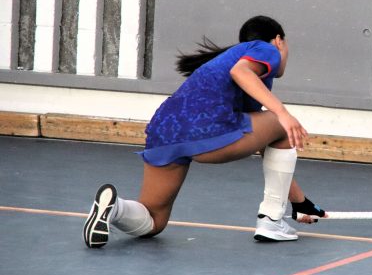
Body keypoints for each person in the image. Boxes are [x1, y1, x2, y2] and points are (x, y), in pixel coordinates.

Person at [83, 15, 325, 247]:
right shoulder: (265, 48)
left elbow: (266, 141)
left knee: (154, 221)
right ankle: (271, 221)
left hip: (164, 129)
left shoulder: (240, 69)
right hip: (204, 127)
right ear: (279, 40)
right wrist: (283, 113)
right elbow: (241, 73)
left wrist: (300, 202)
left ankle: (115, 209)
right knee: (280, 123)